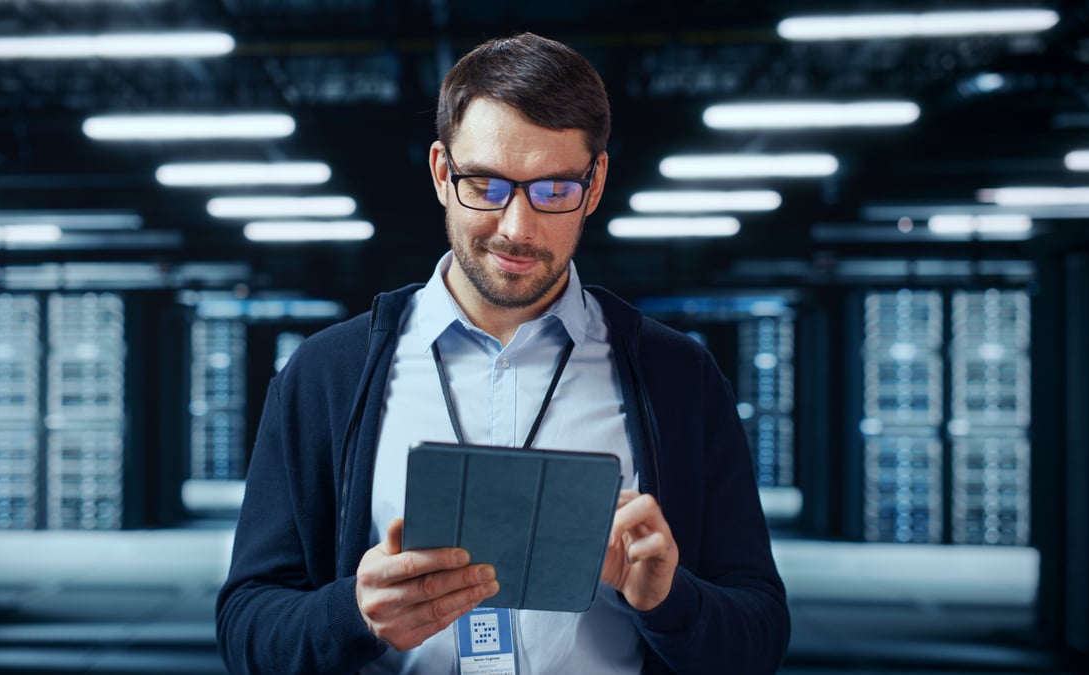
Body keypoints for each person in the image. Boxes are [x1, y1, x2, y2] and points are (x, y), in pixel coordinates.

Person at [216, 32, 790, 674]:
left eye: (553, 191)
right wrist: (352, 614)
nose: (517, 228)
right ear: (441, 172)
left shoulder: (677, 379)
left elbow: (759, 638)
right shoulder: (327, 375)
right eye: (485, 186)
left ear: (595, 183)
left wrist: (669, 601)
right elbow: (246, 631)